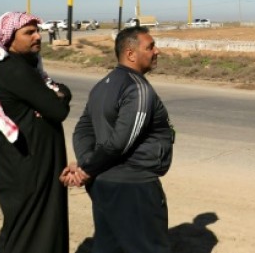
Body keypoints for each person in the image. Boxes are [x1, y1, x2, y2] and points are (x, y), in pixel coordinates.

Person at [63, 26, 175, 253]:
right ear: (131, 54)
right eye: (150, 47)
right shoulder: (138, 89)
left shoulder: (102, 85)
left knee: (110, 246)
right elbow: (119, 143)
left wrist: (86, 165)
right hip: (134, 188)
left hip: (103, 184)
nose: (157, 51)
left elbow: (82, 131)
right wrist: (86, 168)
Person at [0, 11, 72, 253]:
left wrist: (59, 93)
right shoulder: (13, 70)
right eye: (29, 33)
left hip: (37, 163)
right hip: (27, 167)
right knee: (25, 230)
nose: (38, 36)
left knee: (44, 226)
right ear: (9, 40)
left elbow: (57, 96)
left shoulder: (28, 69)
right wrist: (58, 95)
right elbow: (57, 109)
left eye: (37, 31)